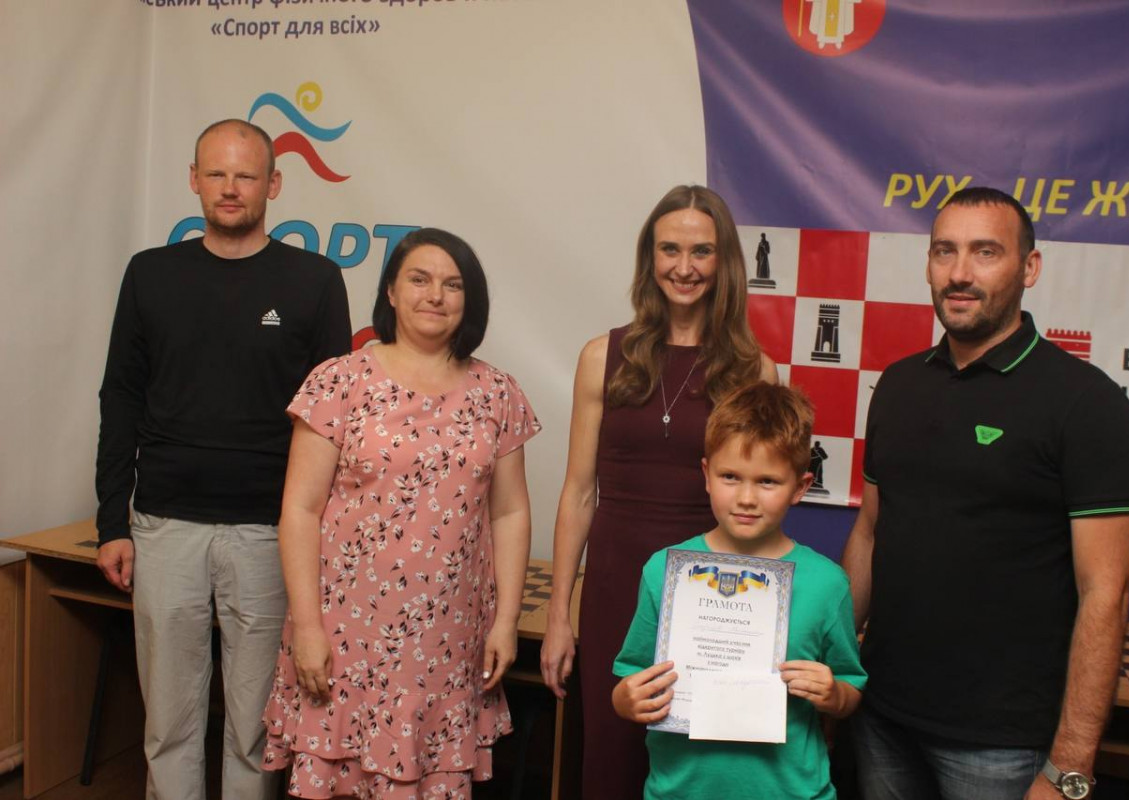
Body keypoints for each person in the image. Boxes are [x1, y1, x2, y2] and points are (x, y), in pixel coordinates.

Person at [841, 187, 1129, 800]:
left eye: (985, 252)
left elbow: (1105, 594)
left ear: (1029, 268)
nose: (959, 273)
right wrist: (835, 671)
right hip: (882, 718)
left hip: (1003, 745)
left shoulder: (1086, 403)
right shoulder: (898, 386)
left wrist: (1069, 767)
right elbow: (870, 535)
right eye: (944, 251)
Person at [95, 118, 351, 800]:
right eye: (216, 173)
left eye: (245, 175)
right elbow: (120, 397)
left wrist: (325, 543)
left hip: (270, 533)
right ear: (193, 180)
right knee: (168, 725)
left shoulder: (315, 280)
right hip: (164, 526)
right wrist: (112, 521)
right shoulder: (150, 274)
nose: (230, 188)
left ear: (274, 184)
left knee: (256, 727)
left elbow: (335, 423)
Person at [260, 228, 540, 799]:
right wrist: (308, 628)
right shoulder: (339, 381)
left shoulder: (498, 392)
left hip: (449, 642)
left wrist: (506, 620)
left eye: (453, 285)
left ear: (470, 300)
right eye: (419, 279)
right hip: (347, 635)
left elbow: (510, 513)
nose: (435, 295)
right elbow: (300, 509)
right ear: (390, 291)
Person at [538, 185, 776, 798]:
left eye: (701, 251)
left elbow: (759, 506)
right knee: (612, 760)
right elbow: (578, 493)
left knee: (699, 767)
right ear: (650, 258)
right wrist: (559, 615)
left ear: (725, 262)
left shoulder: (754, 370)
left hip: (714, 594)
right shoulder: (602, 356)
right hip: (616, 587)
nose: (684, 267)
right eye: (670, 249)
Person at [612, 381, 867, 799]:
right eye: (730, 476)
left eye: (767, 481)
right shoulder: (664, 571)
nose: (747, 498)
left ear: (800, 487)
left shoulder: (827, 584)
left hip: (790, 792)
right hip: (680, 791)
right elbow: (630, 678)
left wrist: (833, 694)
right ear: (706, 475)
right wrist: (627, 700)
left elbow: (849, 689)